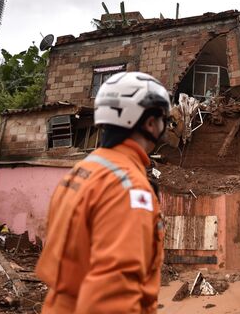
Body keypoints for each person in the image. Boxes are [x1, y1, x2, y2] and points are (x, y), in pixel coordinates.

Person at [36, 72, 170, 313]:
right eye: (163, 119)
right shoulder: (129, 187)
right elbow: (112, 292)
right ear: (150, 123)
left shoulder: (83, 170)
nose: (165, 126)